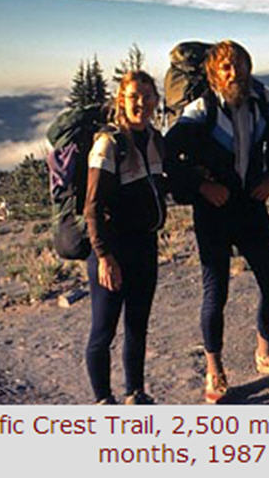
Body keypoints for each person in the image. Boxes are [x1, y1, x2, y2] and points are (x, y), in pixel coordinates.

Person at [165, 40, 269, 403]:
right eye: (225, 67)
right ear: (213, 73)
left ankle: (265, 353)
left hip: (250, 204)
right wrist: (201, 186)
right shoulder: (201, 109)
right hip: (213, 209)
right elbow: (168, 154)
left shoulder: (262, 98)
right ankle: (214, 371)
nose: (234, 72)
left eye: (239, 64)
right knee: (216, 292)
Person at [83, 71, 166, 404]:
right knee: (103, 331)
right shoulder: (109, 144)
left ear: (156, 101)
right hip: (112, 250)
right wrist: (104, 256)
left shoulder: (155, 139)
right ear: (121, 100)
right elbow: (92, 207)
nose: (140, 104)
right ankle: (103, 401)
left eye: (147, 96)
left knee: (137, 325)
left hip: (145, 246)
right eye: (133, 97)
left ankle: (135, 393)